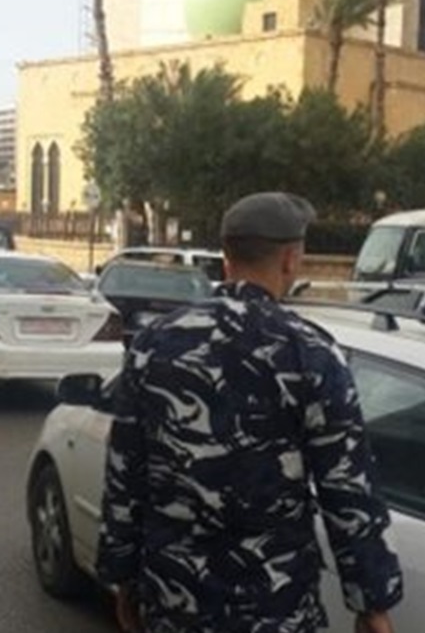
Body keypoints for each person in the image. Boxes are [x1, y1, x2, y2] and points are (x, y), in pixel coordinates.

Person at [96, 192, 403, 633]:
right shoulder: (310, 352)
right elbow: (347, 486)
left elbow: (125, 470)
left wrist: (121, 575)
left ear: (227, 256)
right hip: (275, 606)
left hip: (174, 600)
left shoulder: (154, 343)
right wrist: (372, 601)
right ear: (291, 259)